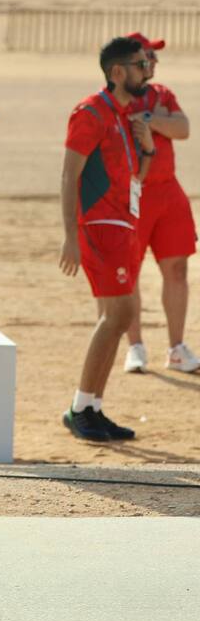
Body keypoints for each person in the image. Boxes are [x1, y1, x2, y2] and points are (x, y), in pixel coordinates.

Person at [59, 36, 155, 441]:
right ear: (117, 72)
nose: (146, 69)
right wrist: (70, 237)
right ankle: (81, 407)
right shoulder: (91, 113)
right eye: (138, 64)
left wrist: (147, 151)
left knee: (124, 314)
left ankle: (93, 406)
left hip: (123, 226)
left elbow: (136, 180)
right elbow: (69, 175)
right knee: (116, 315)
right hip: (100, 228)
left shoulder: (125, 116)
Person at [119, 32, 196, 373]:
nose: (154, 62)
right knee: (129, 272)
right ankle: (135, 346)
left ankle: (176, 348)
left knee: (177, 269)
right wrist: (154, 120)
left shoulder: (162, 94)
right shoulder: (118, 97)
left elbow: (182, 128)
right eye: (148, 55)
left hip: (168, 191)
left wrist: (151, 119)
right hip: (133, 193)